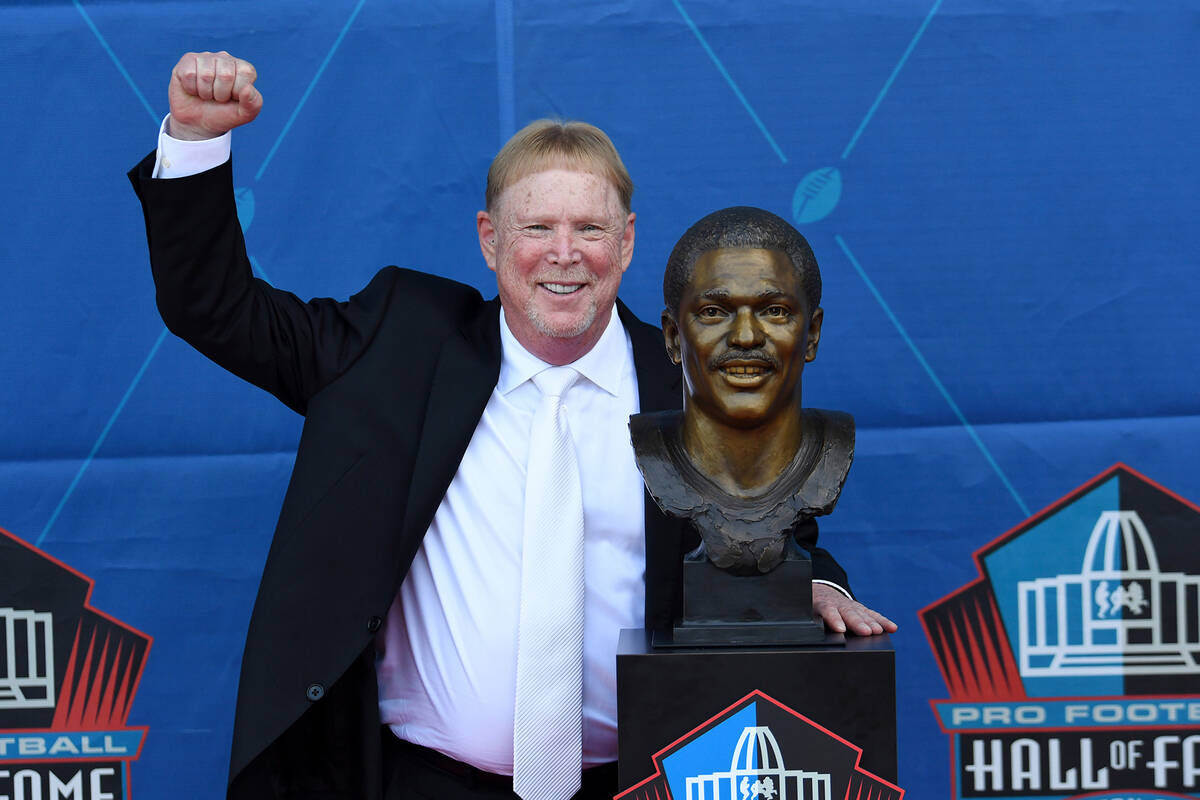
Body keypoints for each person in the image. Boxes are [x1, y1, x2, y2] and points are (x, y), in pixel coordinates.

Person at [128, 51, 894, 800]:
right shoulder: (394, 343)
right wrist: (196, 141)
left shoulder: (695, 386)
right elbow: (215, 309)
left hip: (643, 781)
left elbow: (775, 534)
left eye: (590, 230)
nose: (565, 256)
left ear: (626, 243)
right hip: (416, 780)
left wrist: (816, 586)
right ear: (491, 240)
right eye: (537, 229)